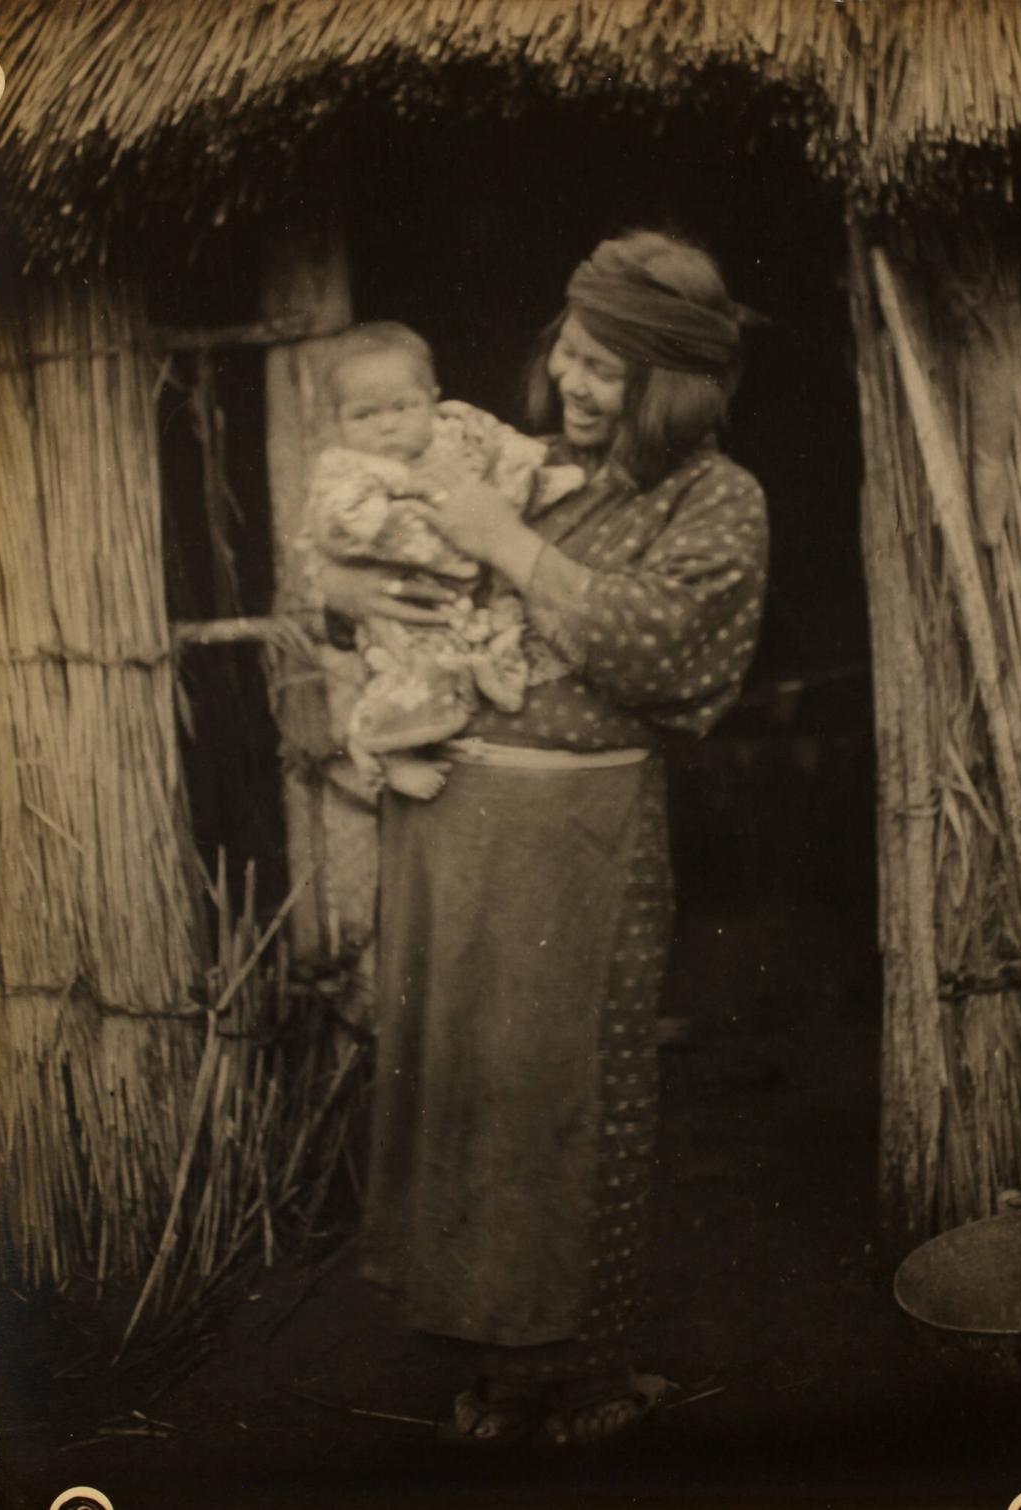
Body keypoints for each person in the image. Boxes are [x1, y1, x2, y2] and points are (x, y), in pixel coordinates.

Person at [313, 230, 769, 1446]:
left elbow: (666, 650)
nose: (576, 385)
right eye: (570, 355)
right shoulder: (508, 458)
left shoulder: (716, 499)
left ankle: (584, 1376)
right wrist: (343, 593)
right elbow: (364, 555)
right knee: (469, 1096)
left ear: (671, 385)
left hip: (581, 839)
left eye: (609, 372)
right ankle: (500, 1373)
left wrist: (500, 542)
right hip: (447, 824)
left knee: (570, 1103)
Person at [298, 322, 582, 801]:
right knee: (409, 672)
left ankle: (489, 668)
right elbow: (345, 526)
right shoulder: (348, 469)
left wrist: (527, 477)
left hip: (462, 590)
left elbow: (502, 448)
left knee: (497, 624)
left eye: (404, 408)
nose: (387, 426)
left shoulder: (457, 432)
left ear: (433, 398)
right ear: (339, 422)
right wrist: (440, 540)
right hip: (405, 590)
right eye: (364, 416)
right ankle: (389, 750)